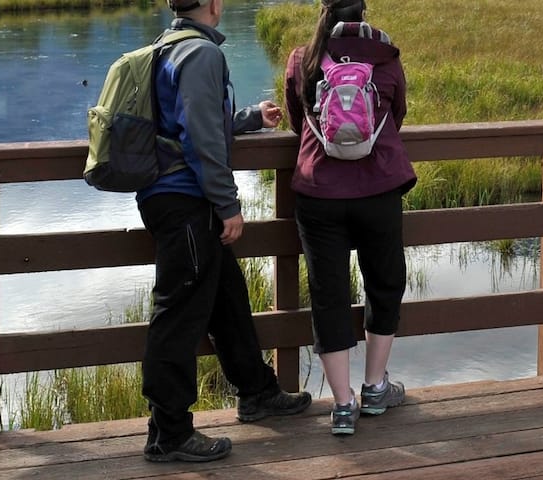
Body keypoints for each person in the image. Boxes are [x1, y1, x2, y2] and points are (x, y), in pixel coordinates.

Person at [136, 0, 310, 463]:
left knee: (225, 297)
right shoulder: (202, 54)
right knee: (177, 315)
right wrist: (227, 203)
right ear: (214, 3)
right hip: (186, 201)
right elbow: (200, 134)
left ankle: (257, 391)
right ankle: (168, 432)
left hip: (171, 197)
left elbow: (194, 123)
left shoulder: (167, 46)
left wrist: (250, 117)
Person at [282, 0, 415, 436]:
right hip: (378, 188)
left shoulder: (303, 58)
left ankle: (342, 406)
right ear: (364, 11)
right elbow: (395, 117)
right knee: (385, 281)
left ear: (324, 10)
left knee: (328, 293)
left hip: (319, 192)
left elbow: (298, 118)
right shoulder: (386, 57)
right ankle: (376, 386)